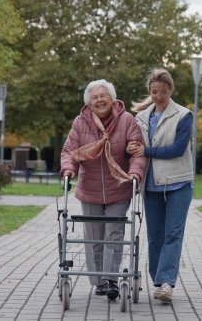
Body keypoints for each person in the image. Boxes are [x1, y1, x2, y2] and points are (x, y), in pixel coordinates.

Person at [60, 79, 146, 300]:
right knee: (94, 237)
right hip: (90, 189)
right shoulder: (80, 123)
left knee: (114, 234)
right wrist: (69, 170)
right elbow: (70, 151)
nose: (99, 100)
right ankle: (99, 280)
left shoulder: (127, 120)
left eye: (103, 95)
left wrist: (136, 173)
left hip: (118, 187)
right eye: (95, 97)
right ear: (89, 102)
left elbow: (137, 151)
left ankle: (111, 279)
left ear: (112, 98)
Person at [127, 68, 194, 303]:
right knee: (155, 236)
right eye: (154, 92)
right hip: (151, 185)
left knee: (172, 234)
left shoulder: (184, 115)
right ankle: (158, 280)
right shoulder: (141, 118)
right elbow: (133, 147)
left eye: (163, 92)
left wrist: (145, 150)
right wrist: (131, 150)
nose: (158, 96)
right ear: (150, 91)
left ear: (171, 90)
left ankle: (166, 283)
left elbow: (177, 149)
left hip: (178, 183)